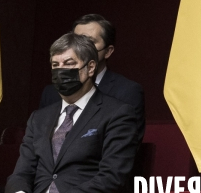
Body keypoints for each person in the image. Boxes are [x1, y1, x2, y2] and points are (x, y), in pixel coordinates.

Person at [4, 33, 139, 193]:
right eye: (55, 65)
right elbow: (22, 173)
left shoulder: (117, 113)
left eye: (69, 64)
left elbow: (112, 177)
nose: (61, 70)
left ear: (90, 68)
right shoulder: (39, 118)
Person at [39, 14, 145, 143]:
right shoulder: (51, 93)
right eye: (76, 41)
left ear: (108, 51)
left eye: (89, 42)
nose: (81, 48)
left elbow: (126, 148)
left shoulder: (127, 91)